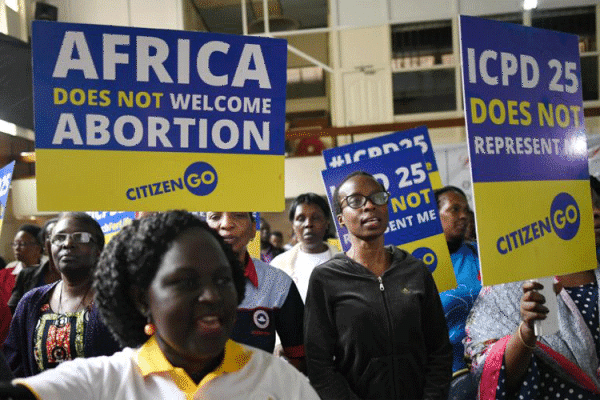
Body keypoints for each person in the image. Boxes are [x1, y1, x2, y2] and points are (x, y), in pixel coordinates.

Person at [4, 211, 319, 399]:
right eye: (185, 282)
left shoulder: (278, 380)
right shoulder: (107, 380)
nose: (211, 296)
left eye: (223, 280)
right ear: (143, 299)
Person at [304, 171, 452, 399]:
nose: (370, 206)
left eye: (378, 197)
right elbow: (318, 364)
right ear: (340, 218)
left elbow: (439, 351)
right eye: (355, 201)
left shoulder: (415, 271)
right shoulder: (326, 278)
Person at [464, 176, 600, 399]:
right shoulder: (510, 286)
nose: (596, 211)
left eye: (598, 203)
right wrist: (526, 333)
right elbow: (493, 372)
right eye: (582, 202)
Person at [3, 212, 121, 377]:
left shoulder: (118, 300)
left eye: (80, 237)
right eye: (59, 238)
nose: (68, 243)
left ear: (99, 250)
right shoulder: (31, 302)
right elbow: (14, 365)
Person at [205, 212, 306, 371]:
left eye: (238, 215)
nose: (226, 224)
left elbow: (297, 356)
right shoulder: (179, 283)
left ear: (253, 229)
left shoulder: (278, 284)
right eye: (215, 217)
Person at [434, 186, 482, 375]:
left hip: (492, 365)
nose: (463, 216)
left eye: (466, 210)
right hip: (446, 374)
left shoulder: (480, 253)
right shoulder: (420, 265)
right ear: (434, 216)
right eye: (454, 209)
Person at [271, 192, 340, 302]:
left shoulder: (346, 262)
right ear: (293, 225)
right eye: (301, 218)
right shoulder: (278, 266)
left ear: (327, 223)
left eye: (316, 218)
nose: (308, 224)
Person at [0, 225, 45, 345]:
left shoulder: (48, 276)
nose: (17, 248)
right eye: (15, 244)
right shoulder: (4, 275)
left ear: (39, 247)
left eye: (23, 244)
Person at [8, 218, 61, 314]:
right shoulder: (26, 275)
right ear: (43, 244)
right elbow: (15, 310)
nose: (56, 242)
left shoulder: (85, 276)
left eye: (62, 237)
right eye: (50, 236)